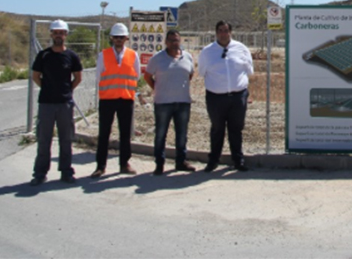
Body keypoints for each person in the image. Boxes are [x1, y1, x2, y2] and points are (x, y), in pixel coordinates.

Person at [30, 20, 83, 186]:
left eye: (61, 32)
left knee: (66, 139)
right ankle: (40, 173)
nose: (58, 35)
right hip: (46, 103)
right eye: (55, 32)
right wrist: (47, 89)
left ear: (66, 35)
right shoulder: (44, 55)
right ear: (51, 34)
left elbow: (78, 77)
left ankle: (66, 171)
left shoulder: (72, 56)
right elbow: (36, 76)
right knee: (44, 139)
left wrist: (67, 91)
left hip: (65, 104)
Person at [198, 20, 254, 173]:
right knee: (217, 129)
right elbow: (202, 72)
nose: (223, 33)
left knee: (236, 129)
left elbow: (249, 70)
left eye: (226, 30)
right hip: (216, 98)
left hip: (238, 97)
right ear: (216, 33)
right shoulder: (207, 52)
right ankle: (213, 160)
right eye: (220, 30)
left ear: (231, 32)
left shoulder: (241, 49)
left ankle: (238, 160)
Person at [91, 23, 140, 178]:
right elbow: (99, 76)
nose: (119, 40)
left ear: (126, 38)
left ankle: (124, 164)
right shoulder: (103, 55)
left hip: (126, 99)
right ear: (112, 38)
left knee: (125, 134)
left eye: (122, 37)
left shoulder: (133, 55)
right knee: (104, 133)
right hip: (107, 100)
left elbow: (136, 75)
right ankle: (100, 166)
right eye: (116, 37)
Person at [144, 30, 196, 175]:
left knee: (181, 134)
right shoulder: (157, 58)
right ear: (166, 42)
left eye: (177, 40)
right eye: (171, 40)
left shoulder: (188, 57)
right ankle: (159, 164)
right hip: (163, 103)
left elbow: (190, 75)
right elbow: (147, 76)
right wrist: (157, 88)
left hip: (183, 102)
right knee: (161, 134)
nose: (174, 43)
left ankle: (181, 162)